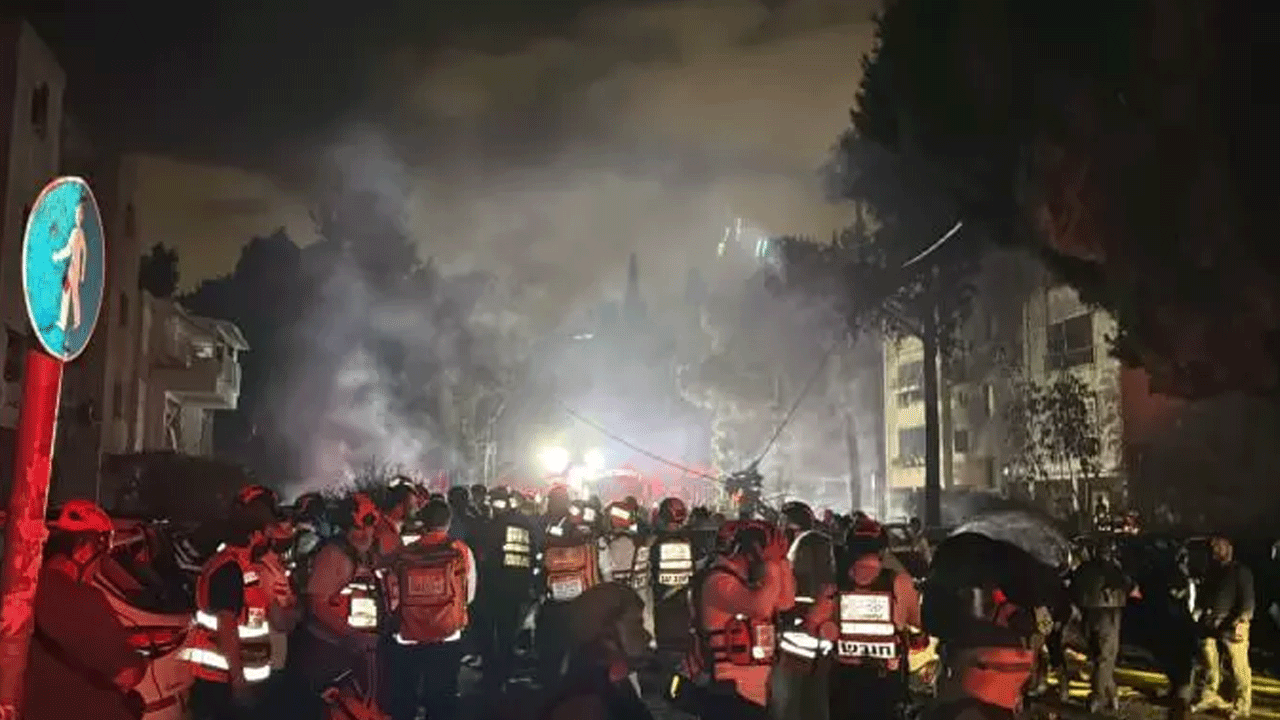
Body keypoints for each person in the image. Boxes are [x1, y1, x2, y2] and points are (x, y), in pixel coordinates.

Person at [22, 500, 146, 720]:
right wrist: (141, 660)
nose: (98, 568)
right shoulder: (86, 598)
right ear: (84, 551)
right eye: (100, 558)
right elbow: (127, 674)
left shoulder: (23, 589)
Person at [289, 493, 382, 719]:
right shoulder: (333, 555)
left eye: (368, 526)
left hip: (352, 651)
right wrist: (353, 634)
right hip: (328, 653)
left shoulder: (363, 555)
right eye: (357, 528)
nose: (364, 533)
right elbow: (317, 605)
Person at [386, 498, 476, 720]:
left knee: (405, 695)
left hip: (409, 635)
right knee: (442, 696)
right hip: (447, 635)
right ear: (449, 523)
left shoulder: (405, 553)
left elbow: (393, 593)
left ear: (423, 522)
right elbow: (469, 593)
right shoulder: (460, 550)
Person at [540, 583, 654, 720]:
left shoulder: (613, 683)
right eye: (637, 624)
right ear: (607, 634)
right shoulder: (584, 706)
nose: (647, 636)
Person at [1068, 539, 1138, 713]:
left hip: (1087, 615)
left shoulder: (1083, 569)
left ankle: (1111, 693)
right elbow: (1130, 587)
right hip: (1108, 615)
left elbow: (1072, 589)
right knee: (1105, 658)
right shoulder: (1112, 569)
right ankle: (1097, 696)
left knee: (1099, 658)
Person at [1191, 535, 1254, 718]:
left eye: (1219, 546)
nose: (1214, 550)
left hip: (1232, 624)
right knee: (1209, 661)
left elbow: (1248, 600)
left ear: (1229, 548)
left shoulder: (1240, 571)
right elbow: (1204, 595)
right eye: (1213, 547)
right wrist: (1199, 612)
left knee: (1238, 666)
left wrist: (1242, 621)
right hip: (1211, 623)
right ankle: (1210, 695)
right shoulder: (1213, 571)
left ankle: (1242, 704)